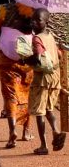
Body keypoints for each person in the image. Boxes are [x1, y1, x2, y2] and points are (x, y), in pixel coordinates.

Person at [0, 0, 35, 149]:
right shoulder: (33, 10)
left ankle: (12, 131)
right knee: (27, 92)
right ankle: (26, 131)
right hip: (27, 57)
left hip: (6, 56)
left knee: (9, 94)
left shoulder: (3, 9)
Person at [28, 9, 67, 155]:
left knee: (39, 112)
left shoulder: (36, 38)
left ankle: (43, 145)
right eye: (33, 20)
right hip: (54, 77)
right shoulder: (50, 36)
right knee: (49, 108)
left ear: (46, 22)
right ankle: (56, 132)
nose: (34, 23)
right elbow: (58, 53)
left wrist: (26, 59)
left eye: (38, 20)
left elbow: (38, 57)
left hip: (43, 78)